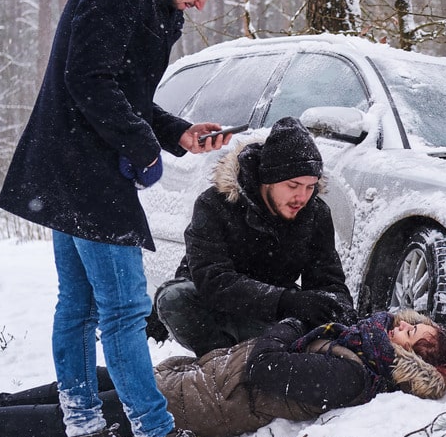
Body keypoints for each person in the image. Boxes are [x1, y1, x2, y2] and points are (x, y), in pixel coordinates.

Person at [0, 0, 251, 437]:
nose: (202, 5)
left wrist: (177, 133)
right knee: (125, 310)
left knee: (81, 307)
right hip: (87, 172)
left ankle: (87, 432)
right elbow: (88, 80)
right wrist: (144, 151)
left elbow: (124, 91)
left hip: (73, 166)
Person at [0, 310, 446, 437]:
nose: (402, 326)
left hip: (206, 405)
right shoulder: (354, 344)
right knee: (91, 381)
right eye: (410, 321)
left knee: (86, 412)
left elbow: (265, 364)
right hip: (204, 378)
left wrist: (285, 324)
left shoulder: (352, 378)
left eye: (413, 337)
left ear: (413, 364)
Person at [153, 116, 357, 358]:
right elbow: (213, 280)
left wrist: (338, 310)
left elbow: (329, 280)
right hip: (216, 307)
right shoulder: (215, 203)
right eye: (293, 186)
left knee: (314, 329)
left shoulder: (315, 213)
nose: (302, 197)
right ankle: (219, 363)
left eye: (310, 186)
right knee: (174, 298)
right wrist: (286, 301)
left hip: (270, 315)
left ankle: (268, 357)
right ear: (267, 180)